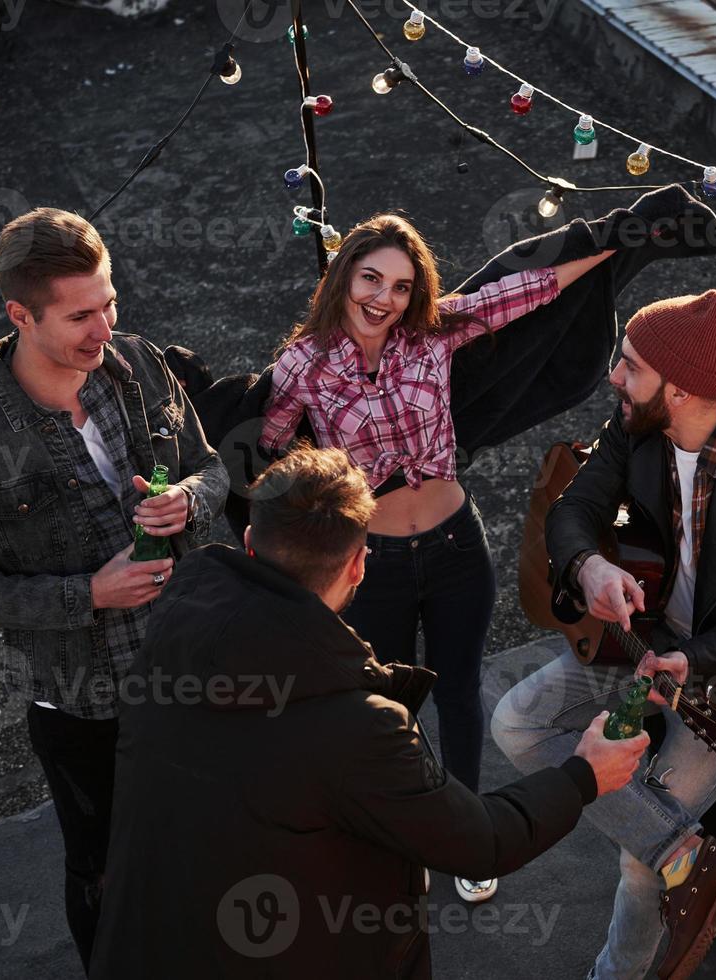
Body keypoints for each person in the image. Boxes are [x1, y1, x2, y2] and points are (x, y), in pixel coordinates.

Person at [90, 446, 651, 980]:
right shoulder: (357, 726)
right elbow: (483, 841)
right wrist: (583, 776)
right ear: (359, 565)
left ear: (249, 542)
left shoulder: (169, 632)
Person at [259, 213, 615, 903]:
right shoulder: (302, 363)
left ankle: (463, 836)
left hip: (456, 545)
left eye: (399, 285)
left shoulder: (431, 333)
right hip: (374, 562)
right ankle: (403, 833)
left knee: (456, 693)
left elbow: (528, 290)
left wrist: (611, 247)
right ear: (344, 278)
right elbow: (272, 449)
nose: (382, 298)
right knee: (390, 703)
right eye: (370, 278)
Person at [0, 207, 229, 971]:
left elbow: (214, 468)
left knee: (210, 850)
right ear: (20, 314)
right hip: (83, 707)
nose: (105, 327)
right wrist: (87, 592)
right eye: (81, 314)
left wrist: (189, 497)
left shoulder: (142, 365)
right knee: (109, 878)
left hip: (194, 671)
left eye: (109, 302)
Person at [491, 289, 716, 980]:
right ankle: (690, 859)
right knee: (517, 723)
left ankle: (615, 974)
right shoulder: (632, 424)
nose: (615, 375)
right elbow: (573, 510)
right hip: (642, 644)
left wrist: (691, 657)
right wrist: (586, 566)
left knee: (635, 860)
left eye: (630, 364)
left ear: (677, 389)